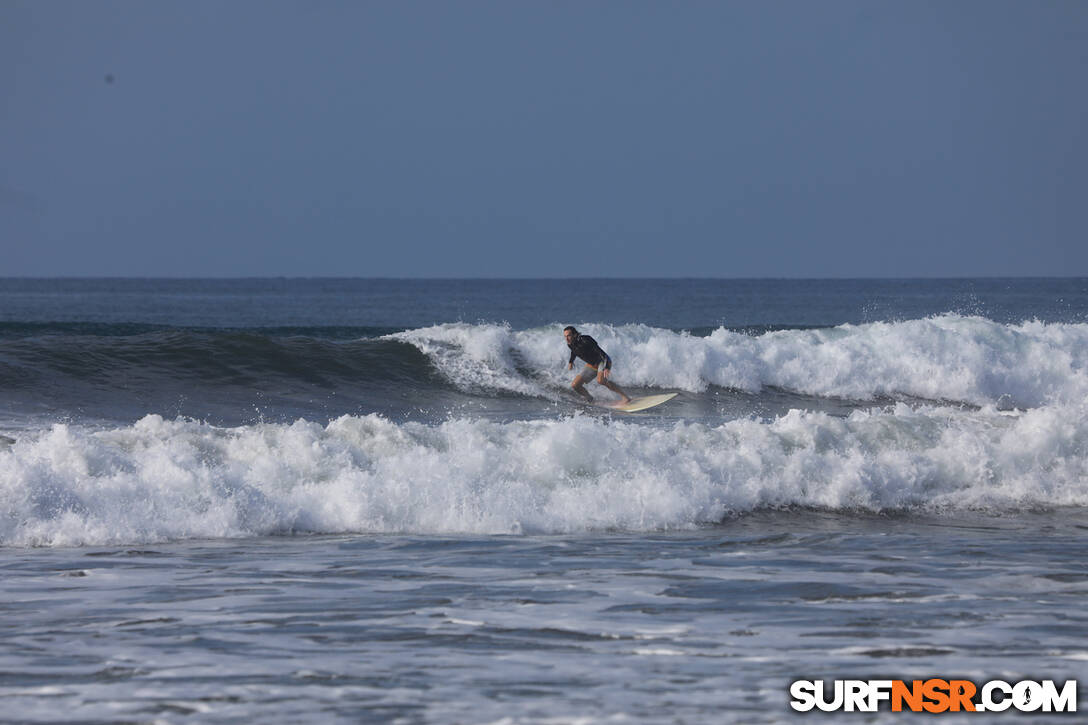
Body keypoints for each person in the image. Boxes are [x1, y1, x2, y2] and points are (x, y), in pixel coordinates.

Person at [563, 325, 631, 404]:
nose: (566, 339)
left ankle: (625, 397)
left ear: (575, 334)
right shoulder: (570, 343)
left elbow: (602, 354)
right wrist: (571, 362)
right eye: (565, 336)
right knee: (575, 385)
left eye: (568, 336)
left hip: (603, 361)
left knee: (601, 380)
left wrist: (607, 367)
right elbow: (574, 351)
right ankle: (590, 399)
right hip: (591, 365)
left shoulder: (585, 340)